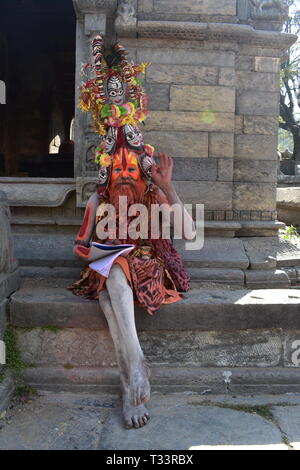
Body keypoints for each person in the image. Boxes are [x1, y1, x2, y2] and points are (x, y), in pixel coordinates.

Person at [70, 35, 195, 428]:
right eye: (117, 171)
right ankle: (135, 371)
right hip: (109, 267)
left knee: (114, 288)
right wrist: (105, 254)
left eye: (131, 171)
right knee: (113, 278)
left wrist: (169, 189)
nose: (125, 176)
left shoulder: (153, 195)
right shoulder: (98, 203)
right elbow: (82, 250)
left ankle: (133, 375)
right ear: (107, 175)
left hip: (146, 266)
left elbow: (189, 234)